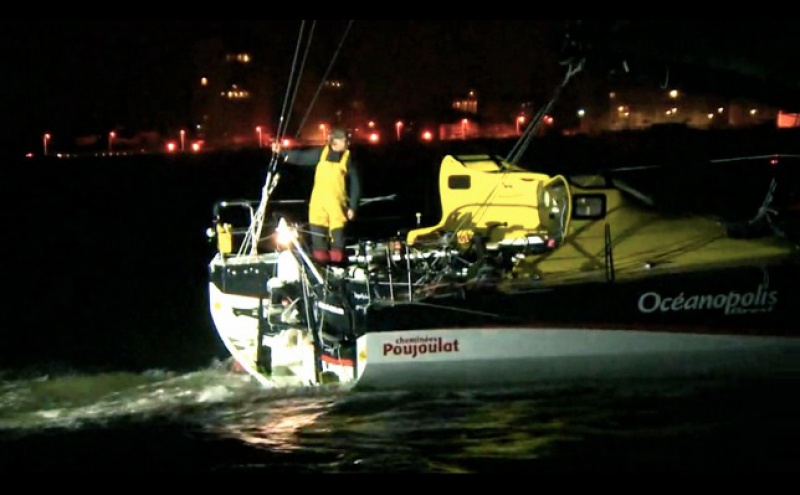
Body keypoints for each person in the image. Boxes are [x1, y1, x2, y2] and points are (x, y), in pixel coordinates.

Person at [272, 128, 362, 265]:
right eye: (345, 140)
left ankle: (338, 267)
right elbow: (300, 158)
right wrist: (282, 152)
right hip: (317, 206)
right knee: (318, 242)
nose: (348, 142)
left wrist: (353, 207)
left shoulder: (348, 158)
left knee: (338, 242)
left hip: (337, 207)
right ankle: (321, 267)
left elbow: (356, 184)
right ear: (335, 142)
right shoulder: (321, 153)